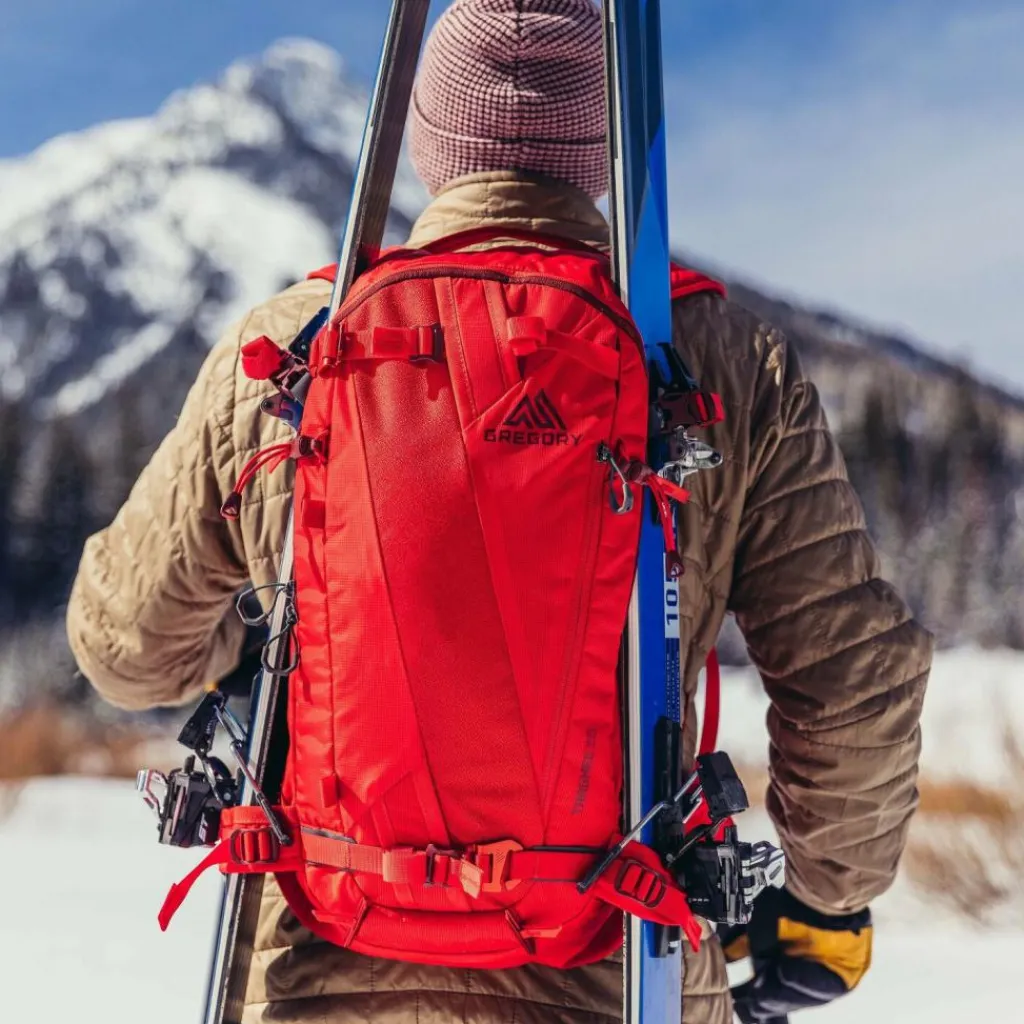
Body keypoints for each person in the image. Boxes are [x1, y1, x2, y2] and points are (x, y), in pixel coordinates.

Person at [67, 1, 931, 1022]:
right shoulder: (714, 357)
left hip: (316, 972)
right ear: (597, 152)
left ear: (430, 140)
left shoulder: (293, 343)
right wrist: (829, 896)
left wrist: (275, 639)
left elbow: (126, 650)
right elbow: (851, 675)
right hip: (621, 967)